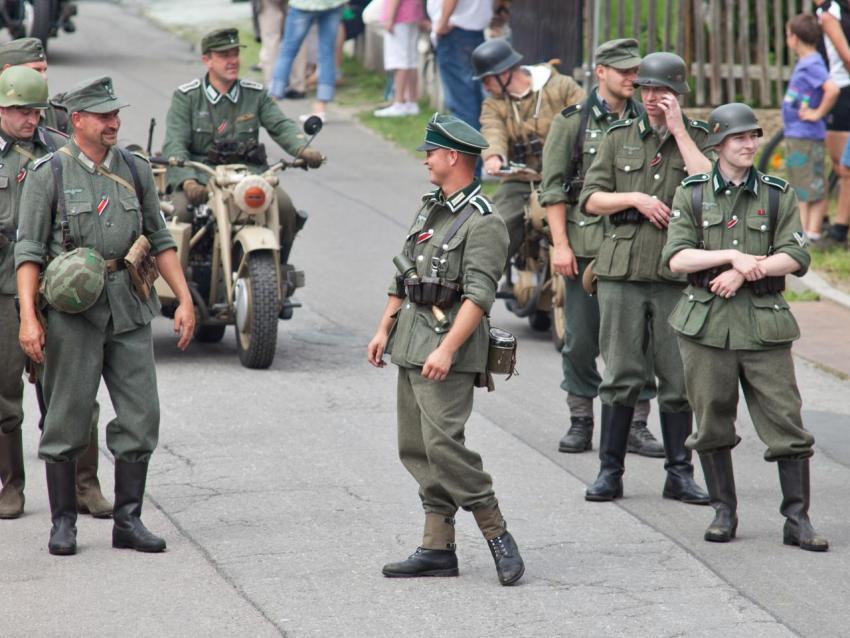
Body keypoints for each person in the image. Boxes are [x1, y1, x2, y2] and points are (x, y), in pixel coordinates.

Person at [15, 76, 196, 555]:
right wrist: (29, 318)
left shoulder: (135, 169)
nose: (114, 122)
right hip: (72, 314)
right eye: (104, 116)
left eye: (116, 114)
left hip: (130, 307)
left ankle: (128, 520)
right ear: (78, 121)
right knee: (66, 419)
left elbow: (159, 240)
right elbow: (29, 252)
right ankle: (63, 522)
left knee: (141, 416)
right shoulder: (49, 173)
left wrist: (185, 299)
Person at [663, 103, 829, 552]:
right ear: (718, 144)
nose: (749, 144)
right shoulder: (693, 193)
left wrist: (743, 270)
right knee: (712, 420)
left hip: (763, 324)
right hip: (706, 325)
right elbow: (677, 257)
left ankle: (798, 519)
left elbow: (795, 256)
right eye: (739, 138)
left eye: (753, 136)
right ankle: (724, 511)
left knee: (786, 421)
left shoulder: (777, 194)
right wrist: (728, 257)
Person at [367, 113, 524, 586]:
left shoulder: (485, 223)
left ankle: (496, 530)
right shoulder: (433, 207)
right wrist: (383, 327)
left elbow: (478, 296)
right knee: (415, 446)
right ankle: (437, 547)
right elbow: (406, 271)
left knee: (444, 444)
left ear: (453, 157)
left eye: (431, 153)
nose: (426, 161)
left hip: (448, 348)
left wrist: (448, 350)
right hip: (413, 338)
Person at [578, 52, 712, 504]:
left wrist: (678, 132)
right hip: (623, 268)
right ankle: (609, 473)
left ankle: (679, 474)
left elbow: (713, 191)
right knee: (620, 373)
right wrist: (633, 196)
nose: (654, 99)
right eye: (647, 90)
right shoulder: (618, 138)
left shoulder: (698, 138)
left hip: (677, 273)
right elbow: (591, 199)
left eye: (663, 92)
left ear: (678, 96)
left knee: (678, 376)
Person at [539, 38, 663, 458]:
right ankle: (581, 418)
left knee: (637, 340)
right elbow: (552, 189)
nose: (634, 78)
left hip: (634, 248)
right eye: (625, 71)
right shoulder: (571, 122)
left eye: (637, 71)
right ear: (601, 73)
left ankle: (637, 424)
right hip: (587, 246)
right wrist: (560, 244)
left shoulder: (647, 119)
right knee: (580, 339)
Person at [0, 65, 112, 520]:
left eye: (36, 111)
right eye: (20, 111)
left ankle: (85, 484)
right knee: (5, 394)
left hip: (60, 288)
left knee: (75, 391)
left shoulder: (60, 149)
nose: (30, 119)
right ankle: (11, 486)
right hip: (3, 286)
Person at [162, 27, 323, 268]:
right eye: (224, 55)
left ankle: (279, 274)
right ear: (207, 60)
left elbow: (280, 125)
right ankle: (178, 288)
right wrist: (187, 181)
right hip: (202, 175)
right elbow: (174, 142)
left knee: (285, 207)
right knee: (180, 214)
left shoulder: (255, 94)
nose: (233, 61)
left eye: (235, 53)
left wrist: (302, 149)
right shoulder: (187, 97)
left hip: (249, 176)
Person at [473, 38, 584, 262]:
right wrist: (494, 156)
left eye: (486, 79)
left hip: (568, 177)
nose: (484, 86)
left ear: (504, 73)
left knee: (586, 225)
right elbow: (492, 129)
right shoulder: (494, 103)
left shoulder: (562, 86)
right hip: (521, 178)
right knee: (494, 229)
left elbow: (586, 118)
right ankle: (477, 287)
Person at [782, 13, 839, 241]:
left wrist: (817, 113)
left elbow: (832, 89)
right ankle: (809, 232)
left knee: (804, 186)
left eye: (787, 34)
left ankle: (804, 234)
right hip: (801, 134)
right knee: (806, 182)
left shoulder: (812, 63)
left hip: (805, 135)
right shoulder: (808, 62)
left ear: (794, 38)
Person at [268, 0, 347, 121]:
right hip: (333, 3)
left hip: (303, 4)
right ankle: (320, 109)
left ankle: (271, 102)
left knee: (288, 50)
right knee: (327, 53)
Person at [814, 0, 850, 246]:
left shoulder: (829, 14)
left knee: (843, 166)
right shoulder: (832, 10)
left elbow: (847, 57)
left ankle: (839, 230)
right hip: (840, 89)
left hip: (842, 90)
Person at [426, 0, 492, 129]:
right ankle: (477, 145)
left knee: (463, 103)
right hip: (475, 30)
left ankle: (468, 146)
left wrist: (442, 23)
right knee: (476, 99)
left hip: (455, 30)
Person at [0, 37, 71, 134]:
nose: (44, 77)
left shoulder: (57, 117)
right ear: (8, 70)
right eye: (36, 70)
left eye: (44, 70)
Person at [374, 0, 424, 117]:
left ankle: (399, 102)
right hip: (412, 13)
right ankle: (411, 102)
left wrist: (389, 17)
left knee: (399, 61)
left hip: (399, 16)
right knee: (411, 61)